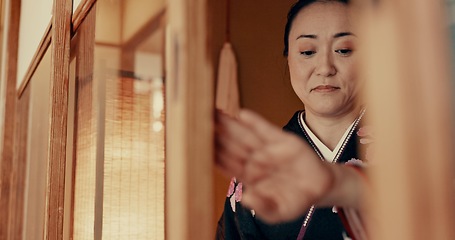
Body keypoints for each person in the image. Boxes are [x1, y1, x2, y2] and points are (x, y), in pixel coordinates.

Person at [215, 0, 372, 239]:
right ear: (288, 59)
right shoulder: (259, 169)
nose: (325, 68)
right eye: (308, 52)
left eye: (344, 49)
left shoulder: (408, 153)